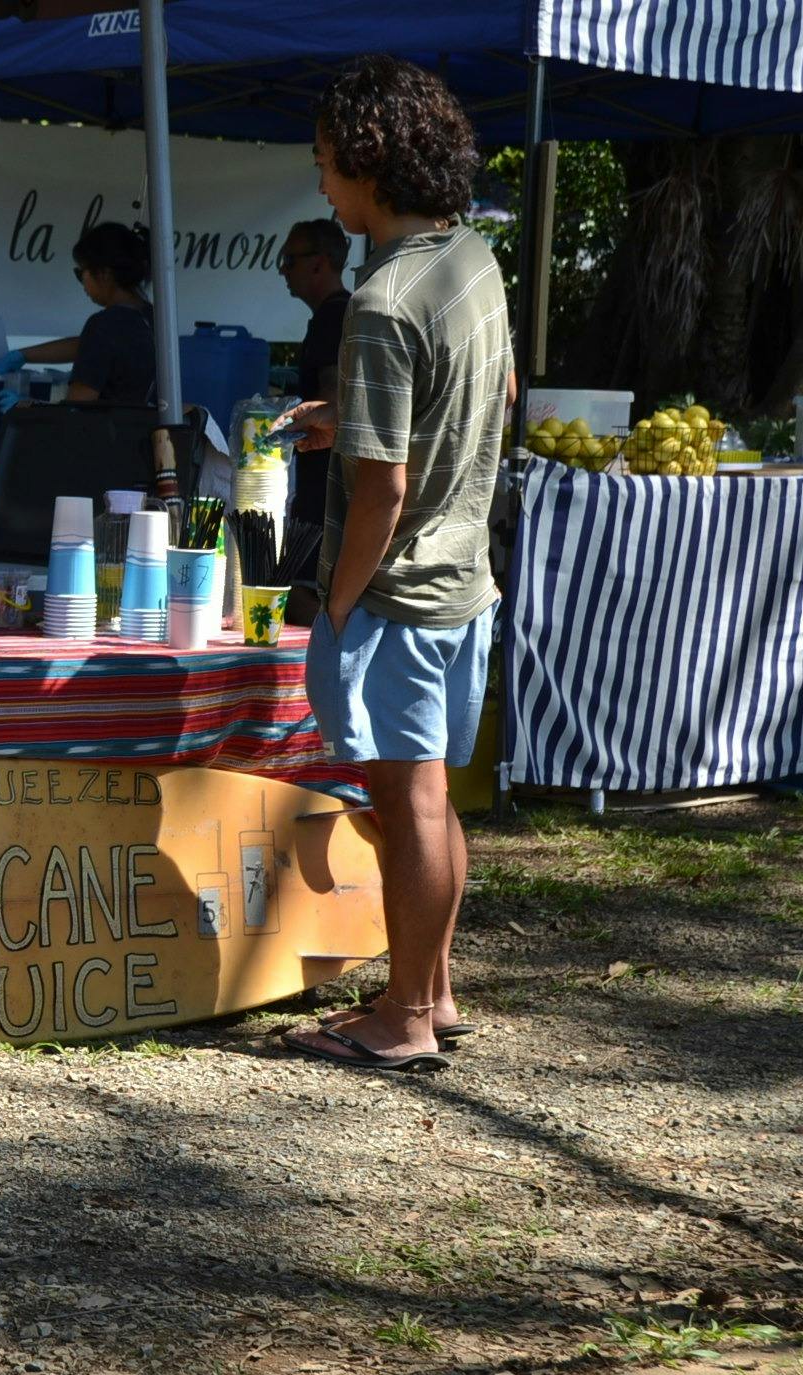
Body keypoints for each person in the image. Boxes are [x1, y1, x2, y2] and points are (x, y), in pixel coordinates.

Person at [273, 55, 510, 1073]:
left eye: (327, 163)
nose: (323, 184)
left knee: (406, 803)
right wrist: (355, 414)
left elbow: (383, 491)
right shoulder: (474, 258)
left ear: (367, 163)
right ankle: (435, 991)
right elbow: (491, 395)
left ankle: (404, 1016)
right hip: (466, 581)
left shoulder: (379, 299)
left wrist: (337, 603)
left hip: (398, 590)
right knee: (432, 796)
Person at [0, 223, 156, 410]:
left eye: (80, 272)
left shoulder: (103, 326)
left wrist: (24, 408)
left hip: (110, 429)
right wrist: (23, 355)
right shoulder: (152, 318)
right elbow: (92, 347)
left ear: (104, 274)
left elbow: (76, 412)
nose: (82, 282)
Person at [280, 218, 352, 528]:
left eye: (290, 260)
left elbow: (331, 397)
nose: (283, 270)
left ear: (318, 264)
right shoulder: (339, 312)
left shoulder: (333, 317)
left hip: (324, 492)